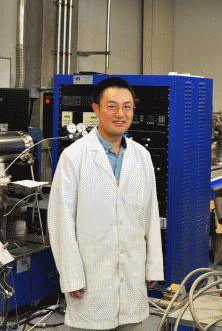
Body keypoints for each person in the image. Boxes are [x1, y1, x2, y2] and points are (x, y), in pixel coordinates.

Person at [48, 77, 163, 331]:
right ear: (96, 109)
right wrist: (71, 275)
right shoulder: (74, 157)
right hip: (90, 281)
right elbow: (61, 222)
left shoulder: (141, 156)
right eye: (112, 106)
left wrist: (153, 265)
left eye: (127, 107)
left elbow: (150, 215)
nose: (120, 114)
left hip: (132, 277)